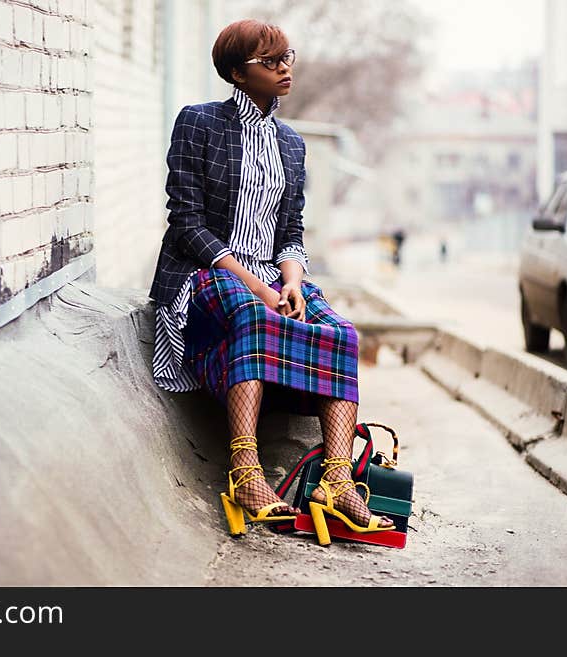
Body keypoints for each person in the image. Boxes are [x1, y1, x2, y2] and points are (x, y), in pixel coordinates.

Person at [148, 19, 393, 543]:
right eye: (270, 60)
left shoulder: (292, 143)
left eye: (288, 56)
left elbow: (291, 231)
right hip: (208, 270)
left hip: (270, 275)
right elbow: (186, 224)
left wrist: (294, 282)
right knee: (255, 317)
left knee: (342, 335)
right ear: (237, 73)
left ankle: (336, 480)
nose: (285, 67)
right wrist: (258, 288)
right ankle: (245, 473)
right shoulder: (199, 122)